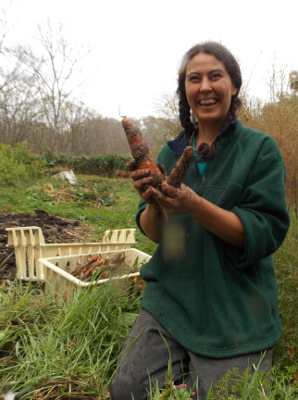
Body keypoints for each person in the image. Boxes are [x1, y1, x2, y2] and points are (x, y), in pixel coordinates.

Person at [110, 41, 290, 400]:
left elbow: (265, 233)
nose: (205, 86)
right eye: (195, 79)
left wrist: (193, 205)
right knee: (127, 390)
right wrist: (155, 205)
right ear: (186, 91)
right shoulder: (167, 153)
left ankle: (200, 372)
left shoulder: (259, 148)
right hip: (175, 297)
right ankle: (191, 367)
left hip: (236, 302)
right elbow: (158, 235)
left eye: (215, 76)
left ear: (234, 85)